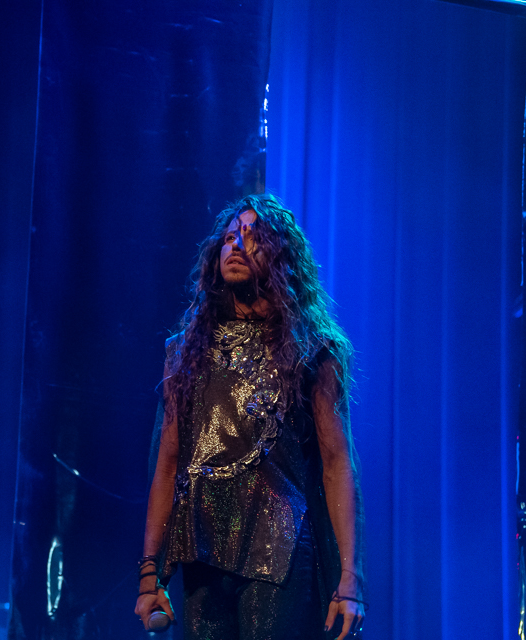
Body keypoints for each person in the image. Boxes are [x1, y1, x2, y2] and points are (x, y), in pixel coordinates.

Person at [134, 194, 366, 640]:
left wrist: (350, 578)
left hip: (279, 548)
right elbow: (166, 463)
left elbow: (338, 463)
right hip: (200, 545)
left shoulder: (313, 348)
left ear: (281, 257)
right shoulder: (185, 350)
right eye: (228, 237)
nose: (236, 245)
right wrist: (150, 574)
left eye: (252, 236)